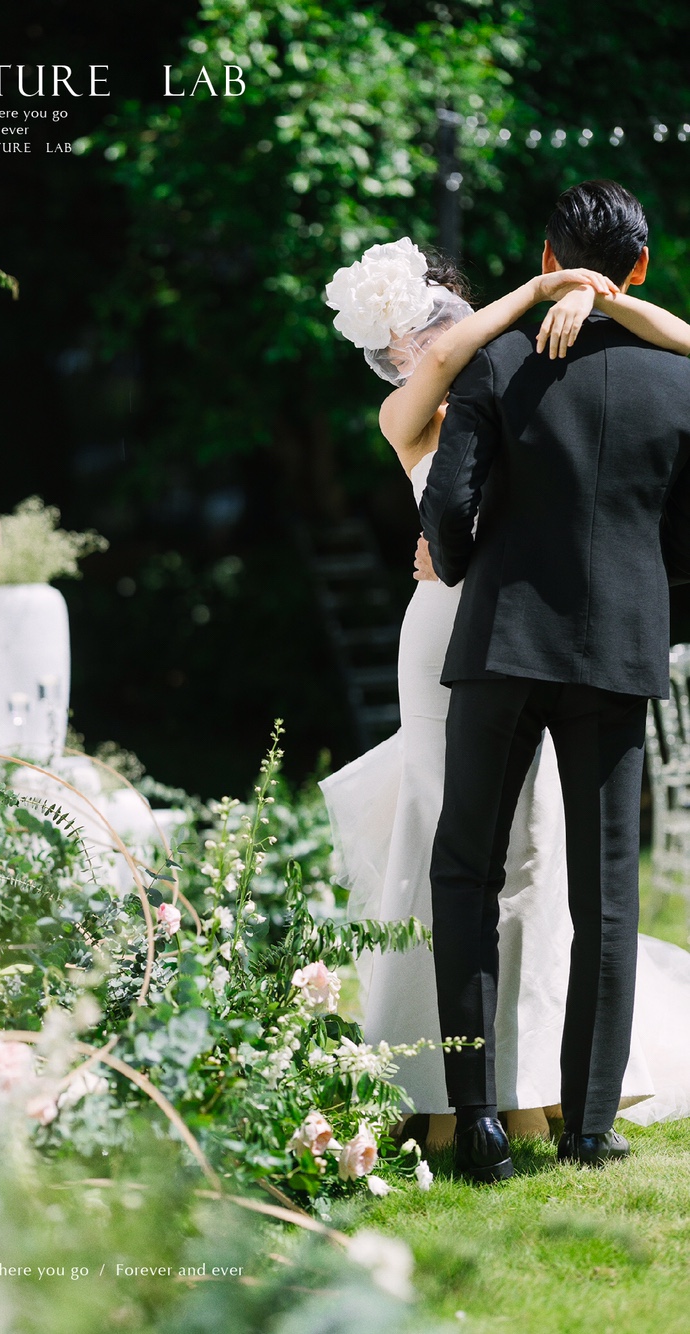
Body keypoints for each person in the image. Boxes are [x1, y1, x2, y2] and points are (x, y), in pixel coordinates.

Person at [320, 203, 690, 1172]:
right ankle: (589, 1127)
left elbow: (450, 503)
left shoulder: (498, 364)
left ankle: (477, 1118)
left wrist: (456, 565)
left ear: (545, 255)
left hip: (494, 641)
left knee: (465, 872)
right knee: (606, 892)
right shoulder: (673, 380)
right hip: (613, 648)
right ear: (642, 266)